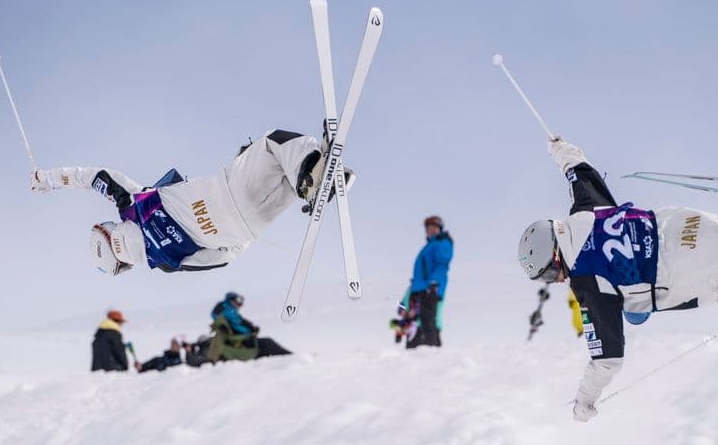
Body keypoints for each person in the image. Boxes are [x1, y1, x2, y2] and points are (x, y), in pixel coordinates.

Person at [518, 138, 718, 422]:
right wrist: (559, 148)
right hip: (697, 224)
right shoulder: (585, 210)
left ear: (555, 255)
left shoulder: (586, 281)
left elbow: (608, 359)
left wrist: (584, 401)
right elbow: (578, 168)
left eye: (548, 273)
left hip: (701, 266)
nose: (555, 280)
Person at [29, 130, 351, 275]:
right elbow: (96, 175)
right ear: (105, 228)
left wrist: (245, 237)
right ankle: (313, 172)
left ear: (123, 265)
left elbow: (221, 260)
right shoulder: (133, 206)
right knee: (272, 142)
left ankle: (310, 183)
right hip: (229, 188)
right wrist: (50, 180)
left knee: (288, 183)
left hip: (250, 225)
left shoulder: (165, 262)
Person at [402, 215, 454, 348]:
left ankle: (432, 354)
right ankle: (413, 357)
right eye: (428, 228)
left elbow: (442, 264)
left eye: (434, 227)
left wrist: (433, 284)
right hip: (419, 290)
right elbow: (419, 275)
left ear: (439, 229)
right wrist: (406, 299)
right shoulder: (428, 247)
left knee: (428, 321)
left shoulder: (442, 243)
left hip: (430, 290)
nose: (430, 230)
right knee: (414, 323)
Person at [206, 292, 293, 362]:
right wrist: (250, 329)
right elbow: (237, 325)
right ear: (231, 300)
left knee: (266, 345)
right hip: (240, 340)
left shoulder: (230, 311)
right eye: (238, 300)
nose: (240, 303)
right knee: (268, 343)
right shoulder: (228, 310)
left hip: (241, 339)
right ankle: (291, 358)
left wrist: (249, 326)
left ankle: (289, 358)